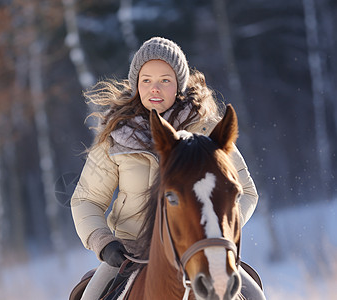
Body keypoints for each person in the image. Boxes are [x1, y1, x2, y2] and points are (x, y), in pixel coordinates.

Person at [71, 37, 265, 300]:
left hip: (202, 251)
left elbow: (246, 192)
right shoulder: (115, 137)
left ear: (179, 85)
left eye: (165, 80)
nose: (155, 88)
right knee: (88, 296)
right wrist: (104, 243)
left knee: (255, 295)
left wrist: (216, 234)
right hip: (129, 255)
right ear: (136, 85)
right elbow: (87, 200)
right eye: (146, 80)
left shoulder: (208, 131)